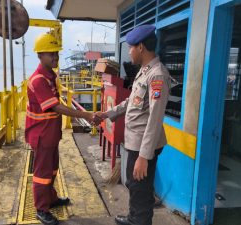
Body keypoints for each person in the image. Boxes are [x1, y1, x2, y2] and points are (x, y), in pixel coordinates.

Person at [95, 25, 171, 225]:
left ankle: (140, 221)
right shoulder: (144, 71)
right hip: (135, 142)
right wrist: (108, 114)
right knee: (135, 185)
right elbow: (131, 102)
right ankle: (134, 217)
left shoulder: (157, 75)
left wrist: (144, 156)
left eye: (131, 47)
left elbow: (155, 118)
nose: (129, 51)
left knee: (140, 188)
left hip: (143, 146)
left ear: (141, 47)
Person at [25, 32, 101, 225]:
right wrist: (86, 114)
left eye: (57, 54)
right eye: (51, 54)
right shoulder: (38, 80)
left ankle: (51, 199)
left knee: (52, 169)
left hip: (50, 133)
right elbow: (56, 106)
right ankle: (41, 209)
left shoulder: (50, 76)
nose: (55, 57)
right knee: (42, 173)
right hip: (41, 134)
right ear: (40, 55)